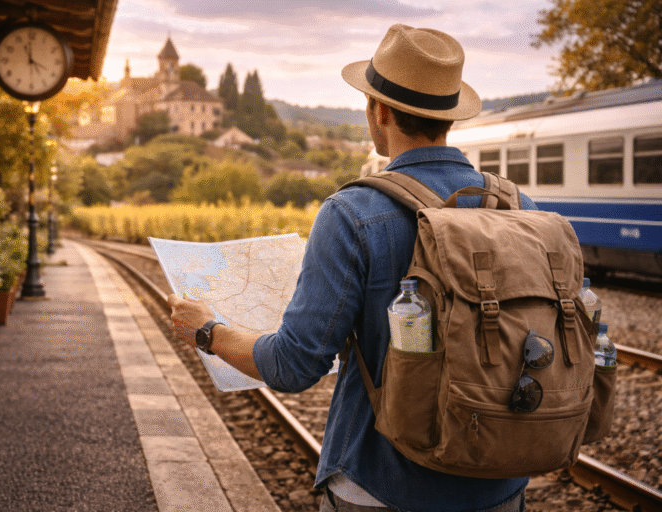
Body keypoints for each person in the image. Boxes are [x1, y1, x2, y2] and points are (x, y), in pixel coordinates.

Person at [169, 25, 535, 512]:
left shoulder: (352, 213)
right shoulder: (518, 206)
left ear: (379, 110)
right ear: (448, 116)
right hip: (499, 484)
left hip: (382, 484)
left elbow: (294, 366)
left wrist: (208, 331)